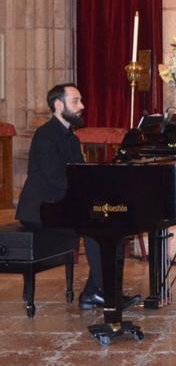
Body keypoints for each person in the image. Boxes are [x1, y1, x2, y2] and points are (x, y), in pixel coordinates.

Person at [15, 83, 137, 309]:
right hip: (41, 207)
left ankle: (96, 291)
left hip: (61, 203)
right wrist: (87, 200)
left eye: (80, 100)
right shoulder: (45, 136)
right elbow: (55, 180)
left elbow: (80, 176)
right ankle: (102, 292)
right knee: (95, 225)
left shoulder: (71, 138)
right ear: (58, 105)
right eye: (75, 101)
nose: (82, 106)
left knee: (114, 223)